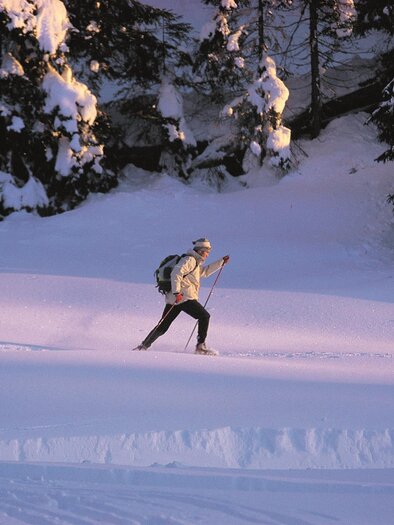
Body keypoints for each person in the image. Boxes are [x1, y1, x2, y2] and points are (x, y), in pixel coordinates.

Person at [134, 238, 230, 354]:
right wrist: (177, 292)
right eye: (206, 252)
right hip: (183, 297)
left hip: (177, 298)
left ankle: (143, 346)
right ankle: (201, 346)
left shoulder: (194, 262)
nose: (207, 255)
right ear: (200, 251)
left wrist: (220, 262)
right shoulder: (189, 260)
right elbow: (176, 273)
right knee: (204, 316)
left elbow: (204, 272)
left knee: (163, 324)